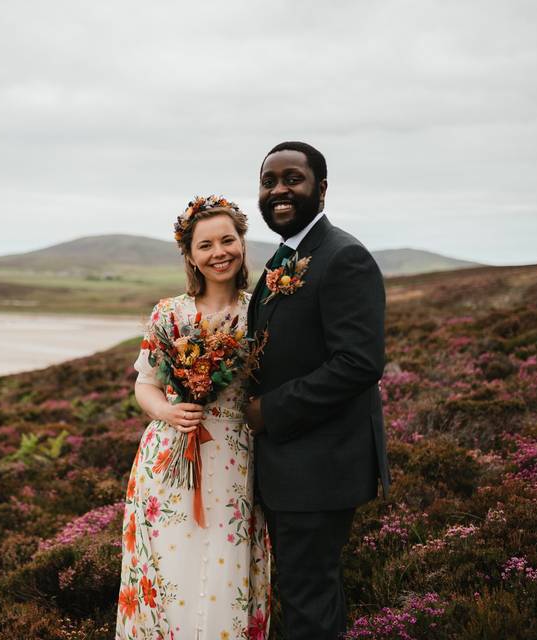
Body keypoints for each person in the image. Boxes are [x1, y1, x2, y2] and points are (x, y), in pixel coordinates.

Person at [244, 141, 391, 640]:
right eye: (269, 182)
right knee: (305, 593)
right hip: (291, 465)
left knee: (308, 599)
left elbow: (359, 363)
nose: (279, 191)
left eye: (292, 179)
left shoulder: (343, 257)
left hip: (319, 466)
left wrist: (269, 411)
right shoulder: (286, 257)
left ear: (321, 189)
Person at [115, 196, 271, 640]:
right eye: (205, 245)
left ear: (242, 243)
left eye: (228, 240)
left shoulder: (258, 312)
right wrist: (169, 410)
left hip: (236, 458)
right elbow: (145, 384)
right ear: (190, 255)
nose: (218, 252)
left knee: (224, 567)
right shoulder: (170, 313)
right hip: (169, 456)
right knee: (169, 565)